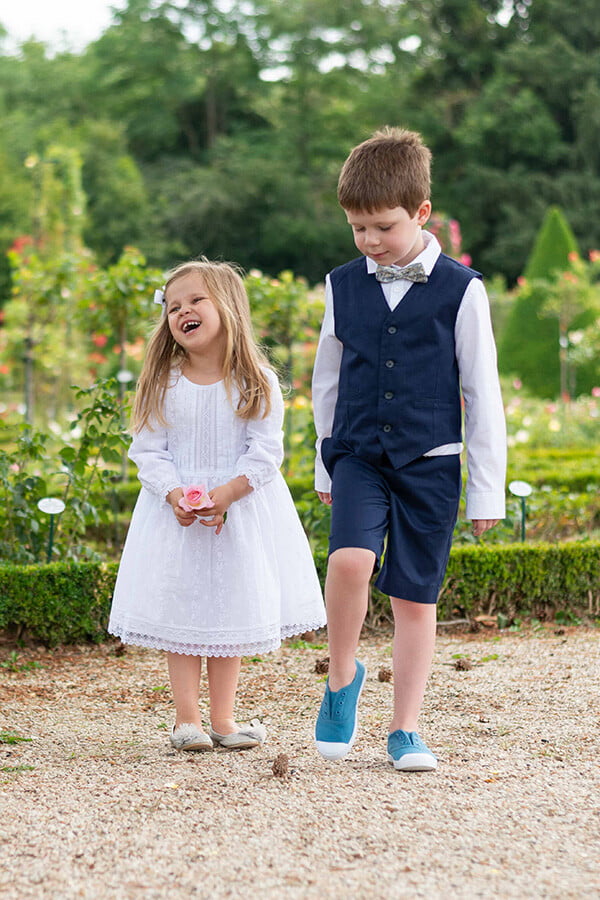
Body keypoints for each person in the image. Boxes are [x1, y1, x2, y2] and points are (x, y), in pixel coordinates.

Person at [312, 127, 506, 771]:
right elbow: (327, 382)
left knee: (415, 600)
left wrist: (486, 490)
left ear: (422, 212)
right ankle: (342, 677)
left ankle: (405, 728)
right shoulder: (342, 285)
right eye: (357, 228)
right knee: (349, 562)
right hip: (358, 455)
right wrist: (325, 462)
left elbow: (481, 392)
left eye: (383, 227)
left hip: (432, 463)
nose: (370, 240)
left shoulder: (463, 289)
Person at [109, 258, 325, 753]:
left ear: (227, 306)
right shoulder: (163, 382)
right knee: (182, 609)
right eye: (173, 306)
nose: (182, 311)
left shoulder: (256, 380)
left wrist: (227, 493)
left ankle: (224, 719)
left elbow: (265, 451)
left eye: (195, 300)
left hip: (238, 512)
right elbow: (148, 451)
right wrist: (174, 494)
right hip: (177, 518)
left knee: (231, 609)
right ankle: (187, 719)